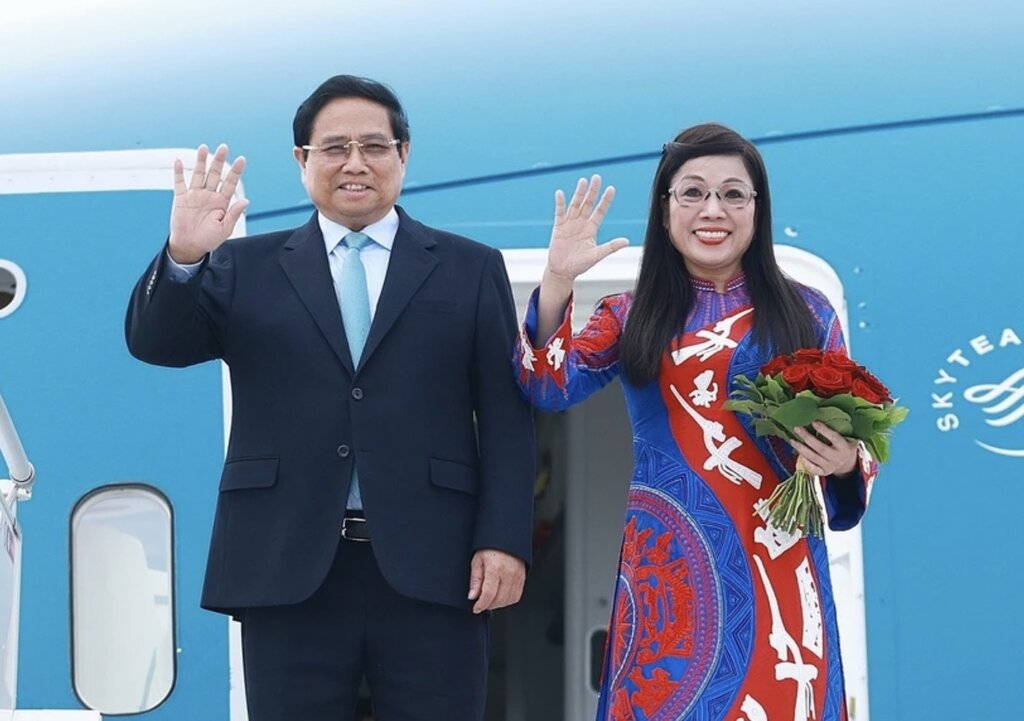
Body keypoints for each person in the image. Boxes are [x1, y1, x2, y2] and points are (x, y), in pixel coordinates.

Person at [125, 74, 536, 721]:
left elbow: (509, 416)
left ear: (404, 154)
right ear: (302, 161)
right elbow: (157, 343)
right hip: (287, 562)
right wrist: (184, 255)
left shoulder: (469, 267)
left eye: (374, 146)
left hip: (437, 563)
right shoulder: (242, 265)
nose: (355, 163)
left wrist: (505, 538)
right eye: (335, 147)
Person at [515, 123, 877, 720]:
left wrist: (843, 462)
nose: (714, 210)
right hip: (669, 576)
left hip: (780, 566)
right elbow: (544, 385)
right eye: (693, 193)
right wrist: (557, 281)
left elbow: (861, 442)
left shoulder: (807, 311)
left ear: (758, 211)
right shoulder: (629, 315)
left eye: (734, 194)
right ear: (664, 212)